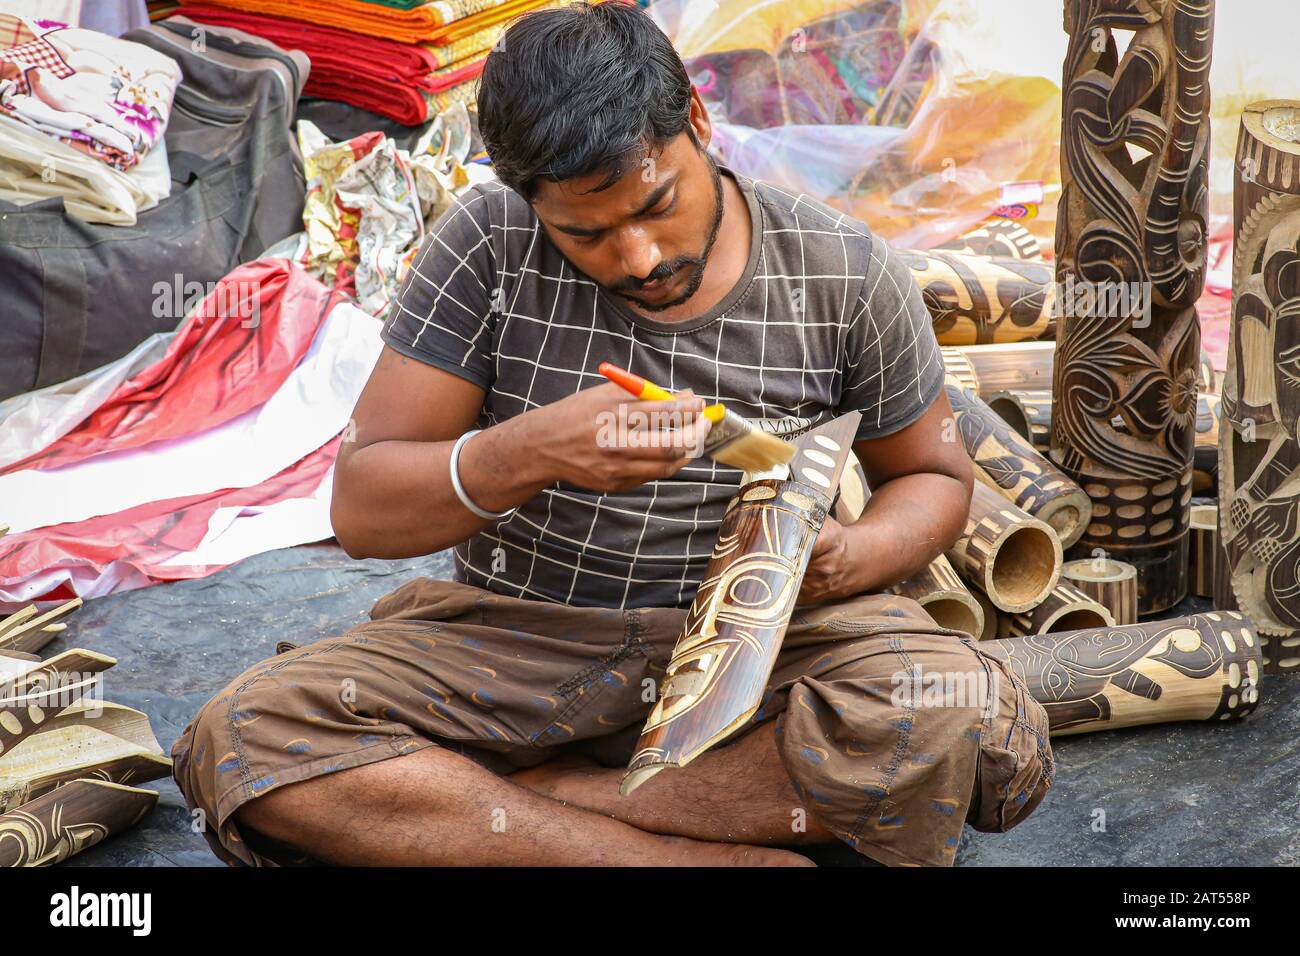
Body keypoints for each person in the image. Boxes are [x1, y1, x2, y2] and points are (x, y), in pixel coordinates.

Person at [172, 1, 1053, 867]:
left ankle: (550, 805)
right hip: (518, 643)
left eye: (656, 204)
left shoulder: (843, 268)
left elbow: (935, 478)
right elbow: (363, 513)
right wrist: (533, 450)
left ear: (697, 122)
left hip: (765, 651)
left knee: (962, 715)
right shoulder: (488, 242)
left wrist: (849, 558)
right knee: (246, 734)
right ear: (527, 198)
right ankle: (665, 855)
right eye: (584, 234)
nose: (637, 258)